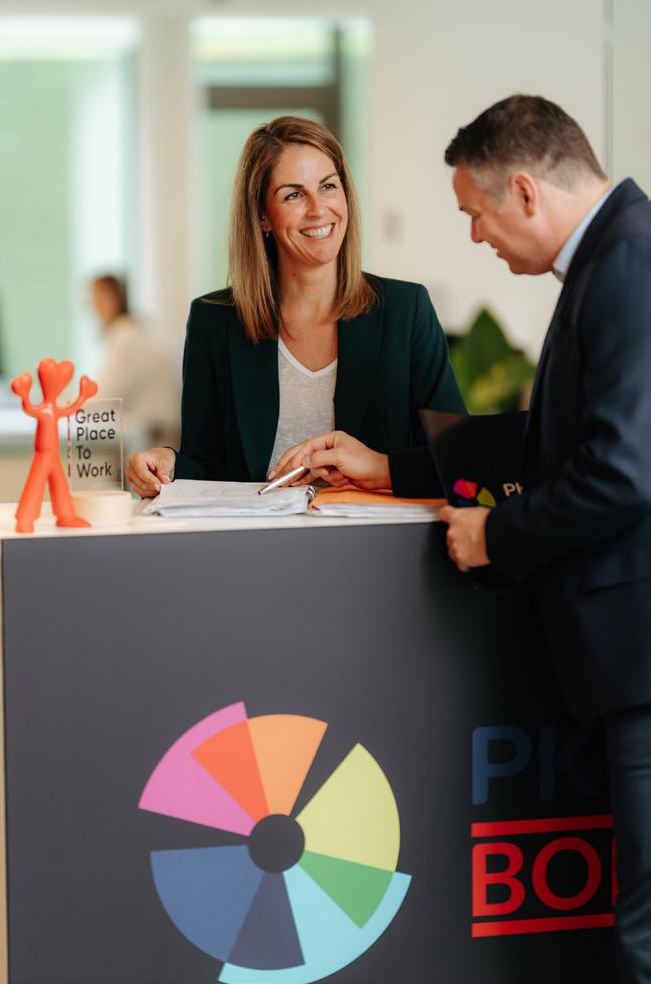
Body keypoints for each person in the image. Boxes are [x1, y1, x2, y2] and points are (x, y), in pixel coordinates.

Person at [274, 95, 651, 982]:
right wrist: (392, 468)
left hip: (639, 658)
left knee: (642, 933)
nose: (476, 237)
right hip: (623, 660)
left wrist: (498, 534)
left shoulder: (626, 265)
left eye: (475, 214)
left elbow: (622, 471)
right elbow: (549, 442)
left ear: (523, 191)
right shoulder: (610, 258)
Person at [126, 116, 464, 497]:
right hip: (259, 534)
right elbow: (207, 467)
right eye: (293, 195)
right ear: (262, 216)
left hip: (375, 533)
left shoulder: (406, 310)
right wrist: (170, 464)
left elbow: (458, 461)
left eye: (328, 186)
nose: (318, 209)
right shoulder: (214, 321)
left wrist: (378, 468)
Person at [89, 274, 180, 447]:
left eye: (97, 299)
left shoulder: (126, 337)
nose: (92, 306)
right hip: (154, 430)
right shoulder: (130, 332)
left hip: (155, 435)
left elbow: (105, 395)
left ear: (112, 299)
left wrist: (64, 405)